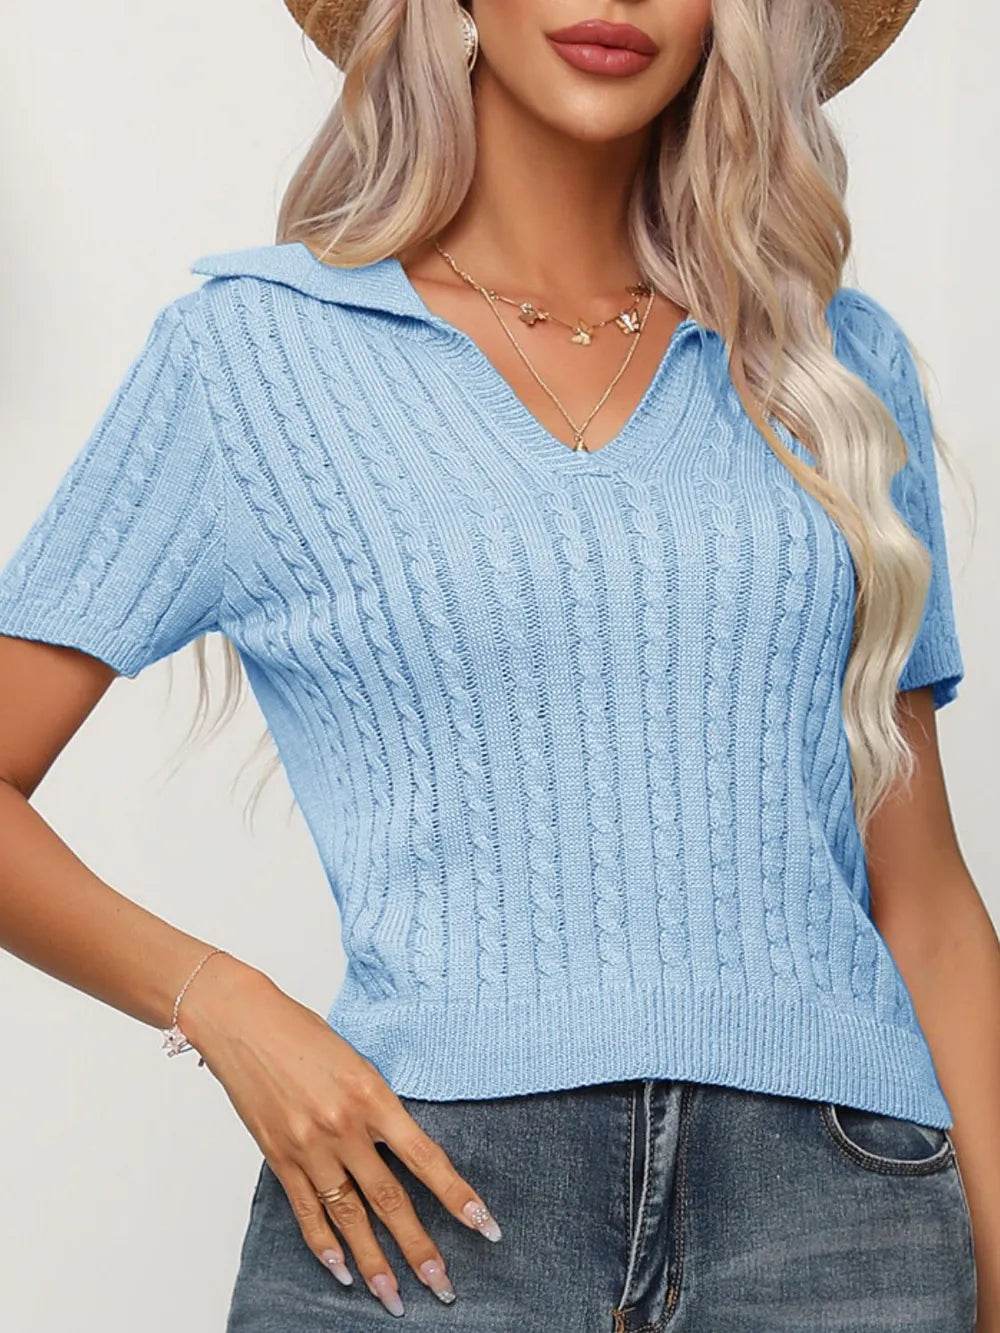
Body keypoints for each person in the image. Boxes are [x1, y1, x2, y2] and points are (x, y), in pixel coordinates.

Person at [0, 0, 996, 1328]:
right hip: (424, 1209)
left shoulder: (831, 367)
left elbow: (922, 892)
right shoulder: (251, 360)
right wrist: (223, 1004)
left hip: (839, 1220)